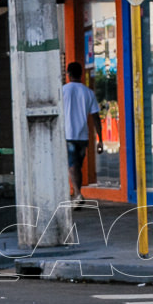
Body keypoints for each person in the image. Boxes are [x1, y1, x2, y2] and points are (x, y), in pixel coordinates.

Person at [61, 61, 104, 206]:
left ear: (68, 74)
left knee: (73, 165)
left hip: (68, 134)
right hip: (83, 136)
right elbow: (96, 117)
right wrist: (100, 138)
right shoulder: (88, 92)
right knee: (76, 165)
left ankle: (78, 194)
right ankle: (77, 193)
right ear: (81, 74)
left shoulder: (62, 91)